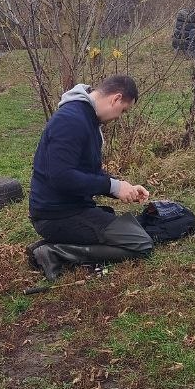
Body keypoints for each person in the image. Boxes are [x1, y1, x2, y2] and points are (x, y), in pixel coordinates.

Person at [27, 75, 154, 280]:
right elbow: (61, 177)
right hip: (55, 215)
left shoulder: (87, 118)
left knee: (131, 228)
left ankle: (53, 245)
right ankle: (55, 252)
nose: (119, 117)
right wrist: (112, 186)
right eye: (123, 110)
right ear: (115, 98)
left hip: (71, 208)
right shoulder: (71, 120)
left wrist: (122, 187)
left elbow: (85, 172)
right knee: (140, 243)